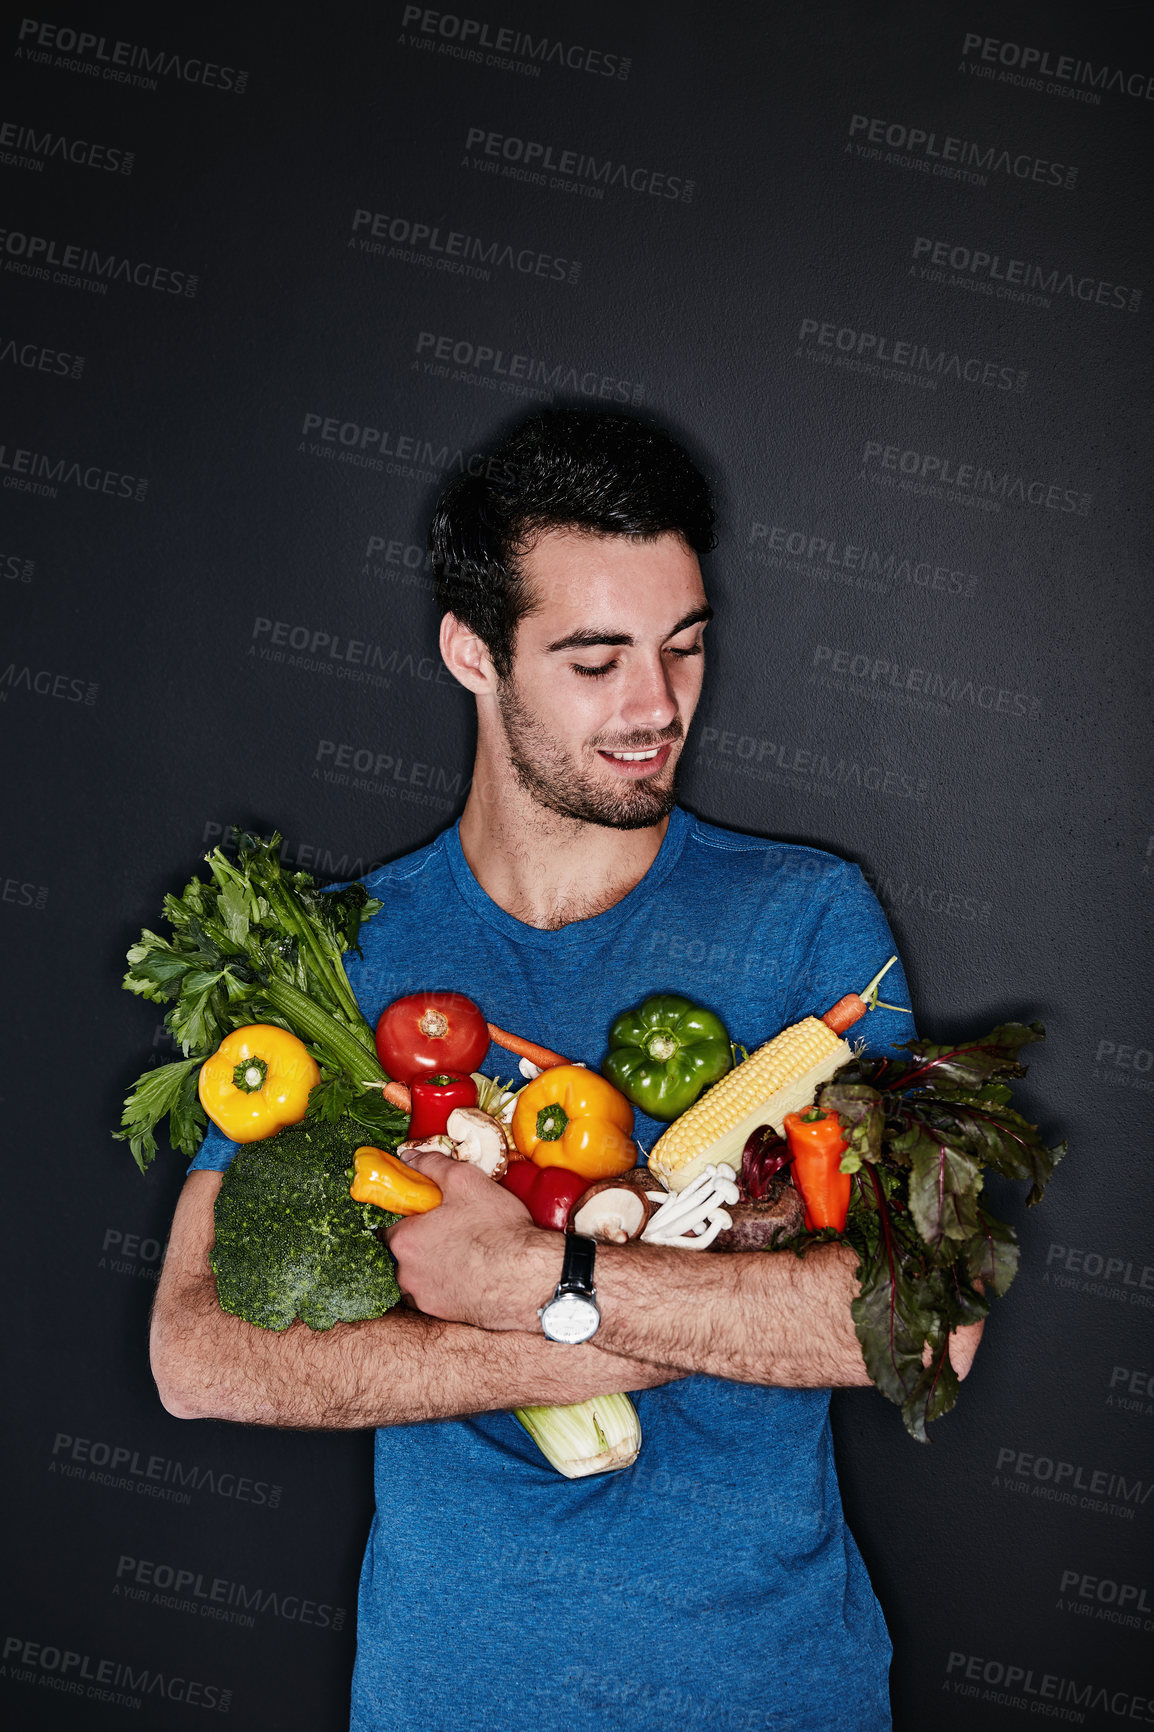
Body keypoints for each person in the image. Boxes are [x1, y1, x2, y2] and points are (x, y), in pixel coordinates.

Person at [152, 409, 981, 1732]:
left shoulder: (804, 924)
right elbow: (196, 1352)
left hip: (769, 1695)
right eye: (594, 661)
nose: (654, 708)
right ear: (470, 652)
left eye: (683, 649)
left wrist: (542, 1283)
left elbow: (928, 1325)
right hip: (448, 1698)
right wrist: (553, 1356)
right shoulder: (346, 961)